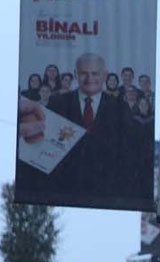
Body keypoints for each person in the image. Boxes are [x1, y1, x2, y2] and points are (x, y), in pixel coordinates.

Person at [17, 52, 151, 204]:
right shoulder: (58, 103)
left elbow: (129, 152)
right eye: (83, 73)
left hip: (107, 193)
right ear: (75, 74)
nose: (89, 79)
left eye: (95, 73)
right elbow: (42, 148)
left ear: (104, 75)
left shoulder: (119, 108)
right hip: (64, 192)